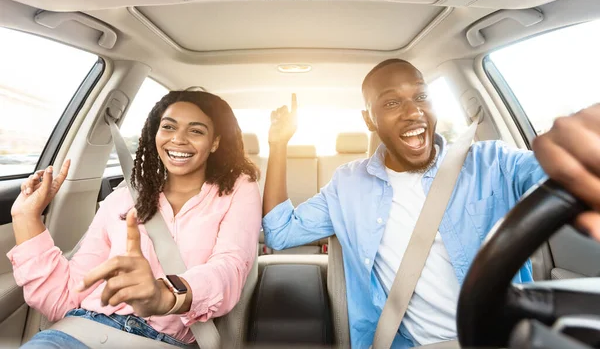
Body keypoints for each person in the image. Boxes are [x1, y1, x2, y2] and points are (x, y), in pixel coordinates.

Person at [262, 59, 600, 348]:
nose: (413, 112)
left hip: (499, 339)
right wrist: (278, 145)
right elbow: (279, 232)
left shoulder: (491, 162)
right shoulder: (346, 185)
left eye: (421, 96)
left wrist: (578, 154)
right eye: (392, 103)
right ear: (369, 120)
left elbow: (555, 172)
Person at [9, 91, 262, 348]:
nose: (178, 139)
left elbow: (230, 266)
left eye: (196, 131)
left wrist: (165, 295)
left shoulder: (237, 190)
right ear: (156, 134)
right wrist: (25, 217)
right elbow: (63, 298)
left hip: (161, 341)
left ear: (215, 142)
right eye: (168, 127)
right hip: (77, 331)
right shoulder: (122, 199)